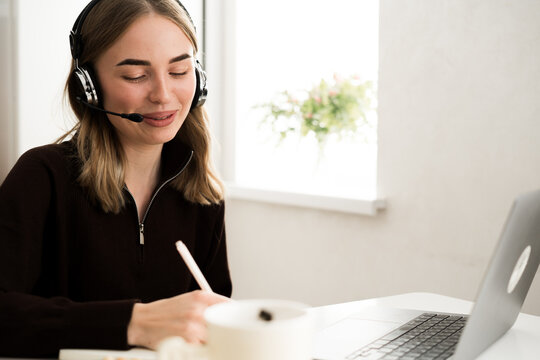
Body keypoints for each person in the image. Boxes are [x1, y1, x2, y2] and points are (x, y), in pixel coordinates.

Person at [0, 0, 232, 357]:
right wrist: (133, 322)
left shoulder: (201, 190)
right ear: (88, 86)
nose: (163, 95)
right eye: (135, 76)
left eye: (180, 71)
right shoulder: (41, 176)